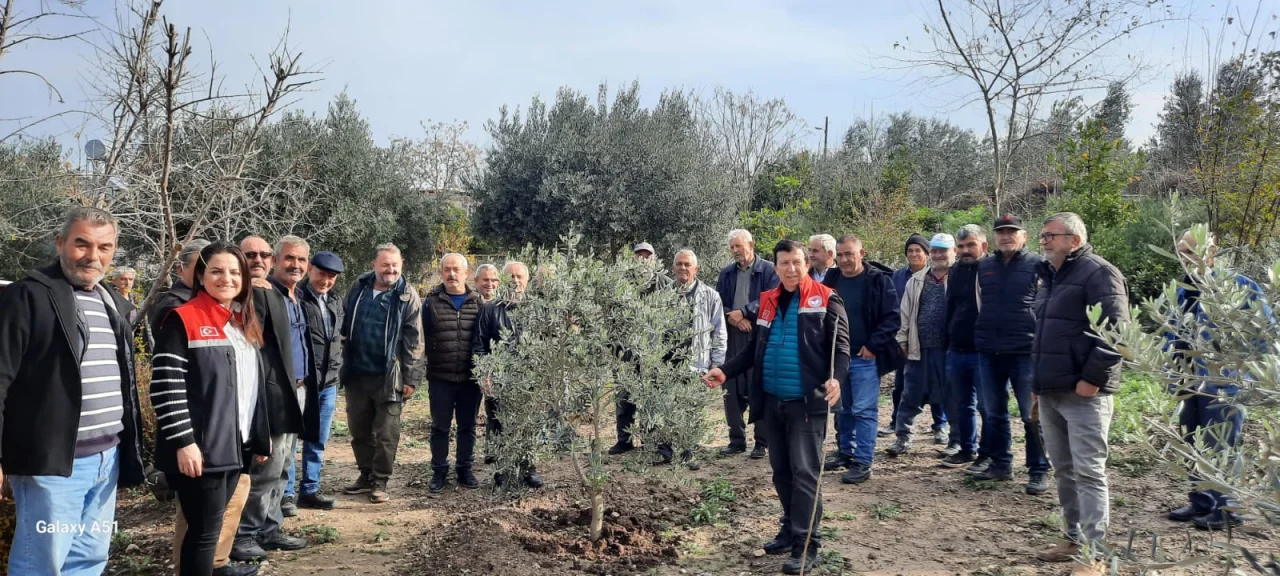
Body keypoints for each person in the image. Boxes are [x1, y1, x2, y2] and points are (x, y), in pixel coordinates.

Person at [0, 206, 147, 575]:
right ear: (60, 243)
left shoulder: (110, 300)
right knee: (41, 563)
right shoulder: (27, 296)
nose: (92, 256)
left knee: (88, 559)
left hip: (106, 459)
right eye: (81, 244)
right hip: (52, 465)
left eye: (104, 247)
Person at [704, 239, 848, 575]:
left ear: (807, 263)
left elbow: (840, 350)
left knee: (805, 475)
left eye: (797, 262)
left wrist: (837, 379)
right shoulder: (767, 302)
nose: (791, 269)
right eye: (784, 263)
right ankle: (789, 528)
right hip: (772, 403)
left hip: (806, 405)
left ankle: (807, 544)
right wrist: (724, 370)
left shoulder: (827, 298)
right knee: (781, 472)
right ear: (777, 265)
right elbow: (753, 350)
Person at [151, 242, 272, 576]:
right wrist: (184, 442)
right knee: (204, 534)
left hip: (234, 446)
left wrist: (258, 438)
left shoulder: (239, 322)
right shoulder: (183, 319)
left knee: (207, 531)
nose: (226, 278)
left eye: (235, 272)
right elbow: (164, 386)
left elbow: (250, 388)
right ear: (200, 275)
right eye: (216, 271)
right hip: (202, 451)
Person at [1031, 212, 1129, 576]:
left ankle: (1094, 555)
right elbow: (1042, 337)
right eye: (1042, 237)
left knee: (1089, 472)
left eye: (1049, 236)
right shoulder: (1049, 277)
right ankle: (1073, 539)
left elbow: (1117, 331)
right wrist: (1038, 387)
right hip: (1053, 390)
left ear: (1073, 239)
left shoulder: (1099, 273)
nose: (1043, 242)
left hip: (1086, 393)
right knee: (1064, 470)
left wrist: (1092, 378)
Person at [1165, 230, 1272, 530]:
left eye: (1191, 252)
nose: (1185, 259)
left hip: (1223, 387)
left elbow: (1265, 334)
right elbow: (1170, 333)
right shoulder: (1182, 290)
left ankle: (1229, 509)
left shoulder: (1240, 287)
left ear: (1211, 254)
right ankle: (1202, 502)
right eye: (1182, 252)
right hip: (1187, 383)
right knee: (1192, 443)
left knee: (1221, 446)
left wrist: (1242, 375)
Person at [231, 236, 309, 561]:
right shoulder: (255, 295)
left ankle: (270, 528)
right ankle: (244, 536)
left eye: (264, 255)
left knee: (284, 467)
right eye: (251, 255)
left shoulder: (292, 295)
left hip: (297, 391)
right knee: (266, 468)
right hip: (272, 396)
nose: (259, 260)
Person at [972, 215, 1051, 494]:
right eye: (1001, 232)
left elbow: (1045, 307)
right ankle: (1001, 464)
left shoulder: (1039, 266)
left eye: (1011, 232)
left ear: (1024, 236)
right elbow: (980, 303)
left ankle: (1038, 469)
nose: (1006, 236)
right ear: (994, 237)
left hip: (1025, 351)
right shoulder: (985, 266)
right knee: (994, 413)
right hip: (988, 350)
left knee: (1032, 415)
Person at [340, 243, 424, 503]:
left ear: (401, 266)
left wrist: (412, 377)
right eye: (385, 264)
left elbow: (415, 340)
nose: (390, 269)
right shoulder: (359, 288)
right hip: (356, 371)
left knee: (387, 433)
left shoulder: (407, 295)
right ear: (374, 265)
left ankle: (380, 481)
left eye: (395, 265)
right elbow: (343, 321)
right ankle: (365, 475)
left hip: (390, 374)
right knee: (359, 430)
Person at [820, 235, 899, 484]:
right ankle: (846, 452)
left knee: (864, 411)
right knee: (843, 409)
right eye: (840, 255)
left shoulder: (878, 280)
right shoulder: (831, 279)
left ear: (861, 253)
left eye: (849, 254)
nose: (844, 259)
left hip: (865, 357)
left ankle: (863, 462)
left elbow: (892, 318)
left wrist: (873, 346)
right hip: (838, 358)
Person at [653, 249, 727, 470]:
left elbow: (719, 332)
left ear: (696, 269)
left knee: (690, 407)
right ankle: (663, 450)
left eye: (687, 264)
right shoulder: (663, 294)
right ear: (673, 267)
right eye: (679, 264)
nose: (683, 268)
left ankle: (687, 452)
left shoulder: (710, 295)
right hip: (666, 361)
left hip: (696, 361)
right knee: (663, 406)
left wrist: (717, 364)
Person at [473, 261, 544, 489]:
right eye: (510, 276)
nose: (515, 280)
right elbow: (479, 346)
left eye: (519, 276)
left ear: (527, 280)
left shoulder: (537, 310)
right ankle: (501, 472)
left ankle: (528, 469)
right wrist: (485, 375)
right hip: (499, 380)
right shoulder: (490, 309)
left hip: (529, 380)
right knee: (498, 424)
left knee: (529, 424)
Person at [714, 229, 780, 459]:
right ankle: (736, 440)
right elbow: (717, 303)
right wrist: (732, 316)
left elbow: (772, 298)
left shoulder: (769, 270)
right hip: (732, 334)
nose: (735, 251)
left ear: (751, 244)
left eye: (738, 246)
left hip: (758, 334)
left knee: (757, 385)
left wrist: (744, 313)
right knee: (730, 390)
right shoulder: (726, 273)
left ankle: (762, 442)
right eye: (732, 247)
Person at [890, 234, 956, 456]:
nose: (938, 255)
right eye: (935, 250)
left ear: (953, 252)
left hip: (948, 350)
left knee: (952, 395)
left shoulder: (958, 279)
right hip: (918, 348)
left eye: (942, 250)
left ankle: (955, 439)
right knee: (910, 395)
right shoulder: (916, 280)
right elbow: (905, 313)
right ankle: (903, 438)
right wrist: (902, 339)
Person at [424, 253, 485, 493]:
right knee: (440, 426)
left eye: (456, 269)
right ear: (441, 273)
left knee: (467, 426)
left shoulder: (477, 302)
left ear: (466, 273)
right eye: (447, 270)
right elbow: (422, 338)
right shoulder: (431, 302)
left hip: (470, 379)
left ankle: (464, 469)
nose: (452, 274)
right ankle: (439, 472)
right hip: (440, 377)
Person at [292, 251, 345, 511]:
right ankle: (286, 494)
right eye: (322, 274)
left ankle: (309, 490)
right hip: (302, 383)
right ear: (310, 269)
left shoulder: (335, 302)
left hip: (328, 384)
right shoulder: (296, 298)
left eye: (331, 276)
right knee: (291, 441)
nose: (325, 280)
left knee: (318, 439)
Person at [610, 242, 665, 453]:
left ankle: (649, 441)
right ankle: (623, 440)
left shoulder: (664, 283)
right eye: (639, 256)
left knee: (651, 396)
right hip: (625, 352)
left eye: (647, 256)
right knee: (624, 396)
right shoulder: (620, 284)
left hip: (653, 352)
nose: (643, 260)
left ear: (654, 259)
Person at [940, 225, 987, 467]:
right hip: (956, 349)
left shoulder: (992, 269)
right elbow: (950, 307)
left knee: (986, 406)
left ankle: (988, 454)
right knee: (962, 403)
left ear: (984, 246)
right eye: (961, 246)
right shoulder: (956, 270)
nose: (965, 250)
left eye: (971, 245)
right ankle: (968, 449)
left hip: (983, 350)